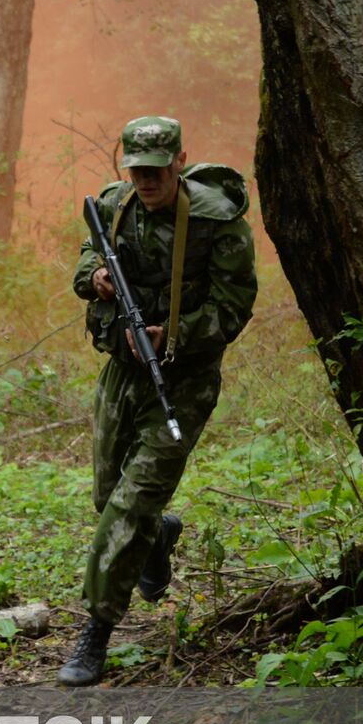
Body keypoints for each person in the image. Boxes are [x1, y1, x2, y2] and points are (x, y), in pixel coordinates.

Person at [59, 116, 257, 687]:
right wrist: (94, 276)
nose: (146, 181)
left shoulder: (218, 223)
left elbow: (234, 306)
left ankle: (95, 631)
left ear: (180, 159)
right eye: (136, 170)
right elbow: (83, 256)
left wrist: (173, 335)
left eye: (156, 169)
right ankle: (156, 536)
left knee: (128, 505)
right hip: (122, 375)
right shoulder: (116, 205)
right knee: (108, 499)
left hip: (183, 381)